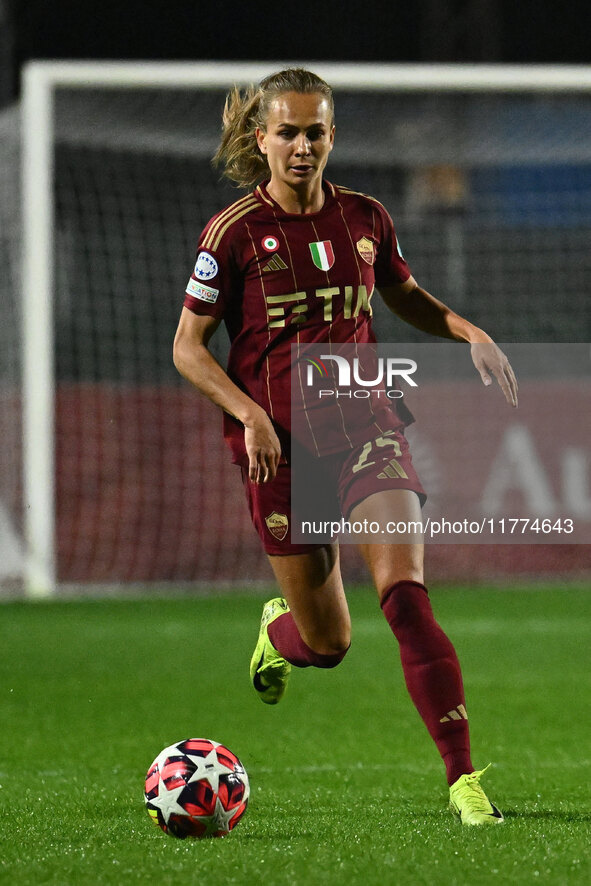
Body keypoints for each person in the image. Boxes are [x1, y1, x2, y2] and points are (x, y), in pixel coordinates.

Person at [173, 68, 518, 826]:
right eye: (287, 132)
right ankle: (277, 634)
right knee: (327, 644)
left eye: (315, 131)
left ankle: (463, 781)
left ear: (332, 134)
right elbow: (188, 349)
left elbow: (401, 293)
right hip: (279, 448)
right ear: (259, 137)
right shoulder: (231, 234)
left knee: (405, 597)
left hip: (365, 424)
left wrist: (465, 329)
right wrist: (250, 415)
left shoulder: (364, 217)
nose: (301, 146)